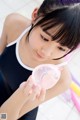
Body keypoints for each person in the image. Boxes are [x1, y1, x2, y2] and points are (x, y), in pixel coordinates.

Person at [0, 0, 80, 120]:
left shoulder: (62, 80)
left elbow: (4, 117)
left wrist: (20, 97)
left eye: (61, 48)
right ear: (35, 15)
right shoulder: (14, 24)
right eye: (44, 38)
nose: (46, 52)